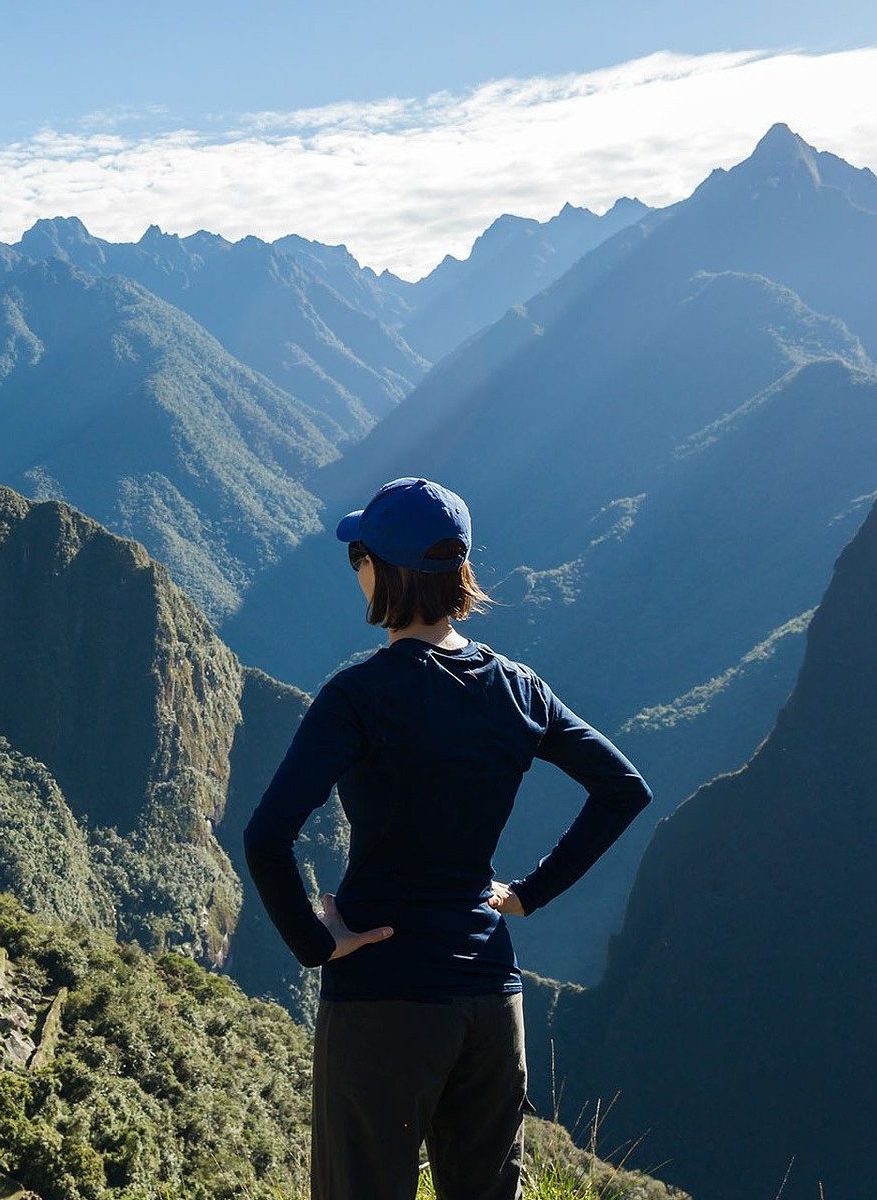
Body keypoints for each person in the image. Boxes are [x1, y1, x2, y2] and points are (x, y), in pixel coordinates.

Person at [242, 477, 652, 1200]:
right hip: (491, 1001)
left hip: (382, 1001)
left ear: (383, 570)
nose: (355, 570)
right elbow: (623, 789)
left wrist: (317, 942)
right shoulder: (518, 688)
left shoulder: (358, 696)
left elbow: (268, 835)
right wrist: (528, 896)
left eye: (357, 556)